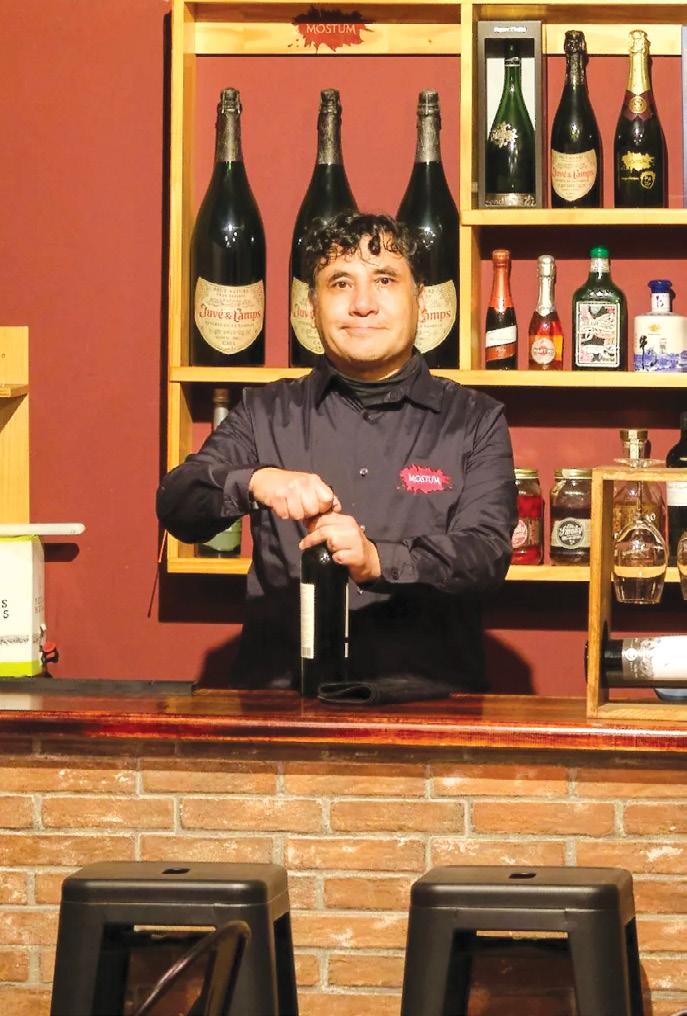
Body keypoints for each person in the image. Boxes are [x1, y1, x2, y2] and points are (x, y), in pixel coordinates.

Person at [156, 212, 517, 694]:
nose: (362, 304)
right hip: (284, 710)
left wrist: (378, 560)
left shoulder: (475, 420)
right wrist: (256, 481)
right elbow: (177, 503)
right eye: (340, 283)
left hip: (424, 707)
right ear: (312, 305)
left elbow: (486, 554)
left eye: (384, 280)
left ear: (420, 298)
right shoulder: (266, 412)